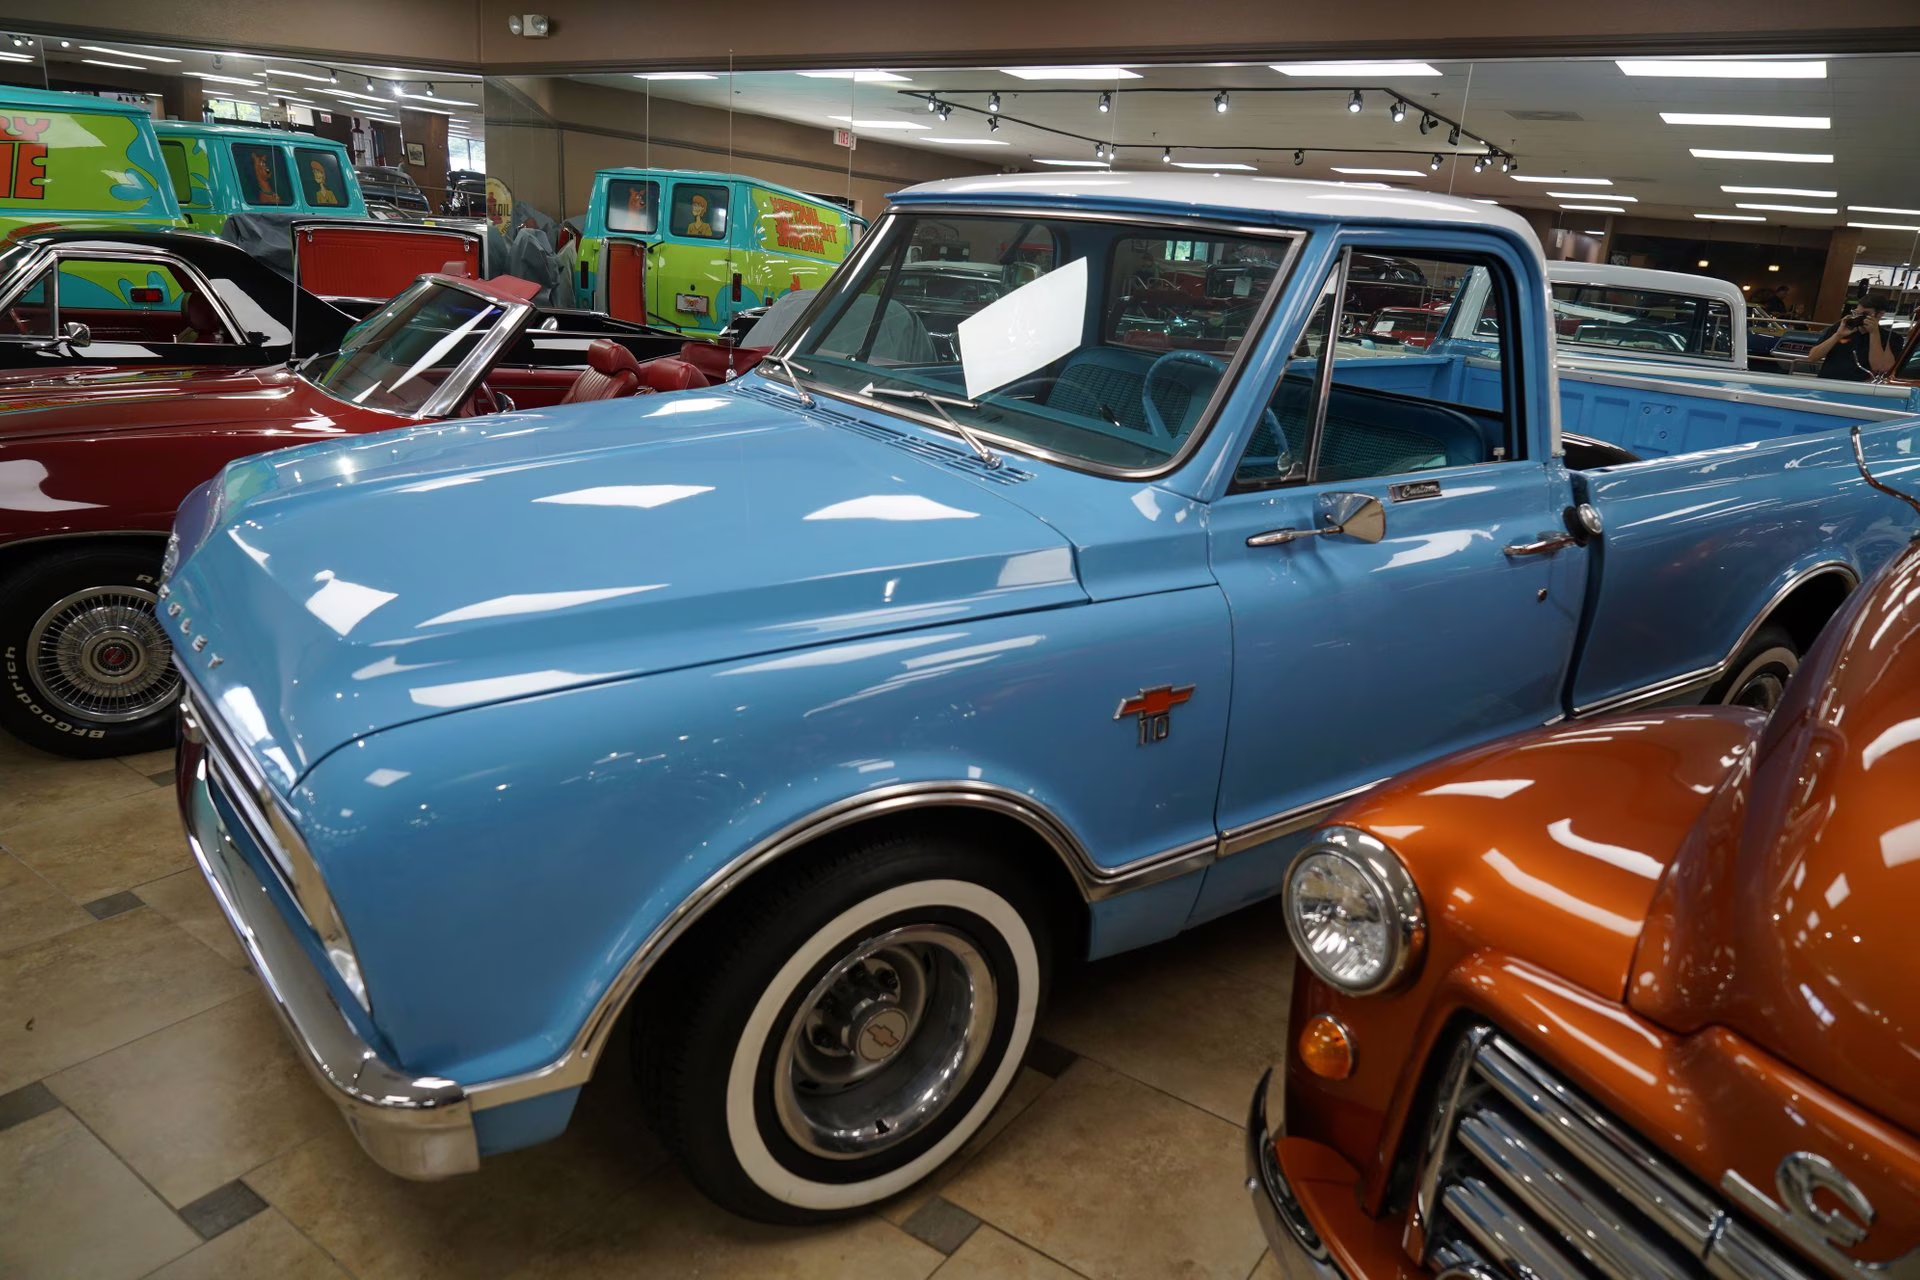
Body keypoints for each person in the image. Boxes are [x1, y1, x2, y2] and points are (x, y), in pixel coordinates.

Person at [1810, 297, 1897, 382]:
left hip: (1859, 387)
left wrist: (1874, 333)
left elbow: (1880, 368)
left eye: (1865, 314)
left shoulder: (1890, 338)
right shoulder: (1840, 328)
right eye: (1856, 313)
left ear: (1880, 314)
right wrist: (1838, 335)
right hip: (1827, 382)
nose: (1859, 317)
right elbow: (1813, 357)